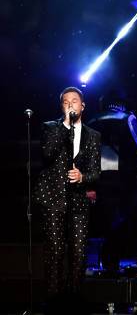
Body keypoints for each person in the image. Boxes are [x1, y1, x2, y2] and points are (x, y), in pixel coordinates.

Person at [35, 87, 101, 295]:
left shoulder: (93, 135)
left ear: (83, 106)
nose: (71, 104)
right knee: (54, 252)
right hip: (52, 198)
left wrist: (83, 177)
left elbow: (96, 172)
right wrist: (65, 124)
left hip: (79, 201)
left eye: (75, 101)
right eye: (66, 101)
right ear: (61, 106)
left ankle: (74, 303)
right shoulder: (50, 128)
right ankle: (54, 304)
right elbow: (47, 153)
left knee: (79, 253)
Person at [88, 90, 137, 271]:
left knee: (110, 220)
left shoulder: (93, 120)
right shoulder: (127, 118)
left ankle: (110, 263)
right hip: (126, 176)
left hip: (102, 177)